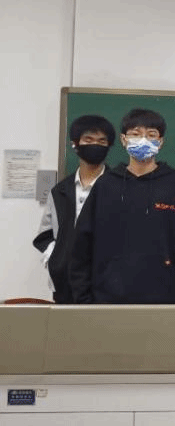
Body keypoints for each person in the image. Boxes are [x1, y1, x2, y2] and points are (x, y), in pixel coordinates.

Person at [70, 108, 175, 304]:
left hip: (164, 299)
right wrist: (84, 299)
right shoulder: (105, 185)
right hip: (107, 299)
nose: (143, 140)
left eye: (151, 135)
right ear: (123, 140)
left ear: (161, 141)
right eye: (136, 134)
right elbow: (82, 245)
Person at [33, 115, 115, 304]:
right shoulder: (60, 191)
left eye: (101, 141)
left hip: (107, 282)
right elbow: (45, 234)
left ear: (109, 146)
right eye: (88, 140)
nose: (95, 145)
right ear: (75, 144)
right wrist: (56, 259)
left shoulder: (119, 187)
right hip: (65, 283)